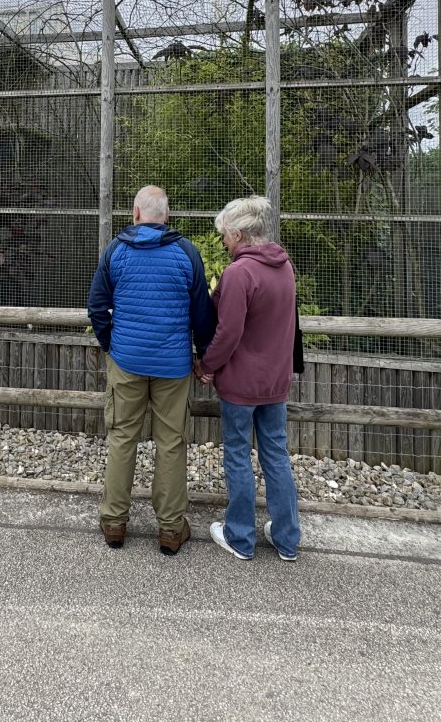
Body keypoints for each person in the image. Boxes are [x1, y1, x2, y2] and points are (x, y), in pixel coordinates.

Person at [88, 185, 215, 554]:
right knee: (171, 443)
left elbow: (97, 306)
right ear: (167, 215)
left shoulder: (116, 250)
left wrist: (112, 344)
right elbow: (202, 316)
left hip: (126, 362)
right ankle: (171, 529)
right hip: (172, 366)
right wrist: (203, 356)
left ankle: (114, 522)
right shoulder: (186, 253)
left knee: (122, 438)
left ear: (136, 213)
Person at [196, 195, 301, 562]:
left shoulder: (239, 274)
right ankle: (287, 539)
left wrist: (207, 365)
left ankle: (240, 536)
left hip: (241, 384)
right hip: (275, 382)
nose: (223, 241)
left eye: (225, 234)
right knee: (276, 454)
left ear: (238, 234)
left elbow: (227, 333)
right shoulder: (284, 267)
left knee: (238, 455)